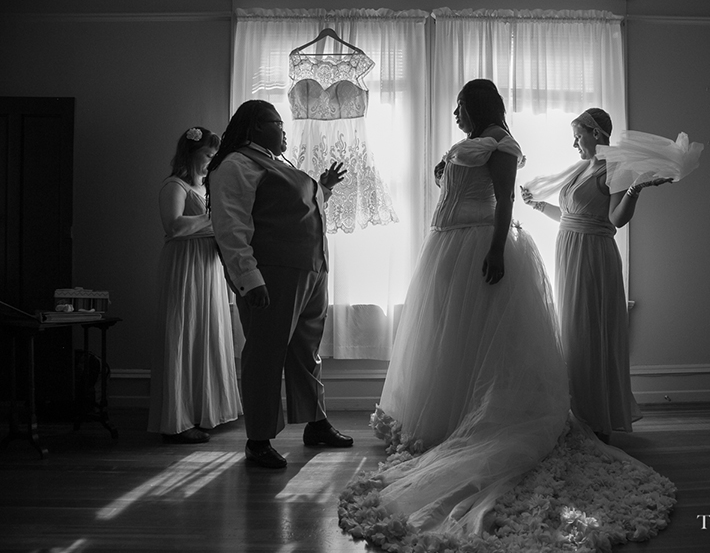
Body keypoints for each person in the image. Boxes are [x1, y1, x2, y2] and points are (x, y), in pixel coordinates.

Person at [366, 79, 570, 530]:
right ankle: (453, 416)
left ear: (476, 105)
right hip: (447, 246)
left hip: (480, 244)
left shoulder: (502, 144)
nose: (455, 114)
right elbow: (449, 181)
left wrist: (496, 250)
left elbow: (505, 201)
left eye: (459, 106)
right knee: (449, 333)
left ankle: (477, 420)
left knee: (481, 335)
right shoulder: (471, 143)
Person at [208, 100, 352, 469]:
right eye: (276, 122)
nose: (283, 128)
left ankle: (315, 423)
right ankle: (258, 439)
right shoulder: (237, 165)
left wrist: (324, 188)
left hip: (310, 270)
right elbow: (230, 226)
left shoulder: (276, 164)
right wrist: (248, 278)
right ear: (256, 126)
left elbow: (295, 209)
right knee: (266, 354)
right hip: (272, 275)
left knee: (306, 351)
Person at [521, 108, 671, 442]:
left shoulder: (615, 167)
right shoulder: (582, 168)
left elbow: (616, 219)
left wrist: (635, 190)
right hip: (570, 252)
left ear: (596, 134)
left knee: (590, 330)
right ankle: (577, 410)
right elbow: (573, 216)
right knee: (573, 330)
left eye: (578, 136)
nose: (575, 144)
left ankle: (596, 416)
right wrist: (538, 206)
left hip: (593, 256)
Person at [148, 126, 242, 443]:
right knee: (183, 335)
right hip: (184, 267)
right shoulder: (174, 186)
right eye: (207, 155)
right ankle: (178, 420)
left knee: (206, 334)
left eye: (215, 155)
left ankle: (206, 410)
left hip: (207, 267)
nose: (211, 161)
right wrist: (219, 221)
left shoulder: (206, 189)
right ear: (192, 155)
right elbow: (174, 226)